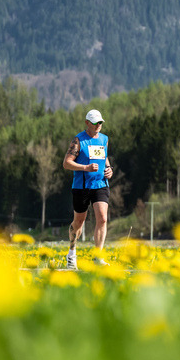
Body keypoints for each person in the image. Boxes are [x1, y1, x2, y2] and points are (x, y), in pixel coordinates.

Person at [62, 109, 113, 269]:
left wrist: (109, 169)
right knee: (79, 222)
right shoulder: (78, 140)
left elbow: (104, 157)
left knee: (102, 218)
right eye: (95, 123)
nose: (98, 125)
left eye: (100, 122)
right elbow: (66, 163)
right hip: (82, 186)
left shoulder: (104, 139)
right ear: (87, 123)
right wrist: (85, 167)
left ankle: (98, 257)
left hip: (100, 184)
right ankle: (71, 254)